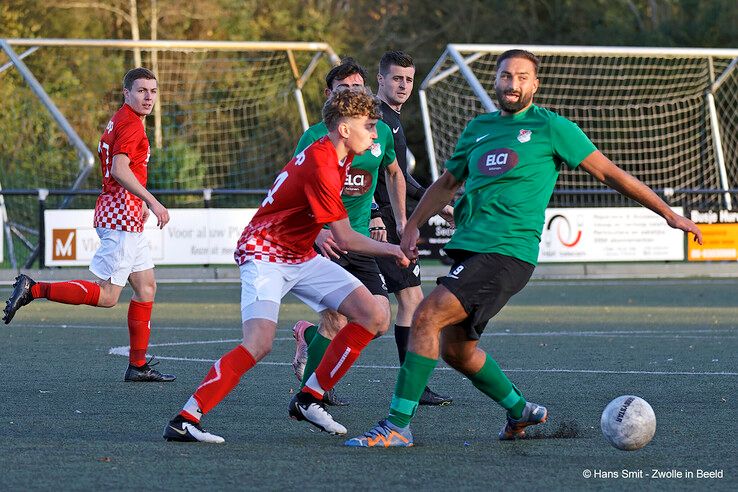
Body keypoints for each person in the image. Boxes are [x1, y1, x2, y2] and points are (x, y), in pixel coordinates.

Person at [345, 49, 704, 447]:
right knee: (457, 351)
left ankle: (397, 426)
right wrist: (410, 225)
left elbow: (610, 174)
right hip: (471, 249)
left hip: (508, 251)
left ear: (535, 83)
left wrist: (669, 214)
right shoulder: (479, 128)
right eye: (504, 76)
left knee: (427, 315)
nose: (512, 84)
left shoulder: (552, 128)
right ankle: (521, 410)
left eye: (521, 77)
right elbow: (446, 184)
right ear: (495, 80)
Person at [163, 88, 409, 443]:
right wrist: (396, 250)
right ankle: (185, 418)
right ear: (344, 129)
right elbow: (344, 238)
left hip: (299, 254)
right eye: (368, 126)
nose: (374, 135)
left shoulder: (340, 156)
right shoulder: (323, 163)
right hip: (264, 252)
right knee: (258, 344)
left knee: (374, 315)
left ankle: (309, 398)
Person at [3, 67, 175, 383]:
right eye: (141, 90)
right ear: (127, 93)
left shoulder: (123, 119)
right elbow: (120, 170)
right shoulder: (132, 126)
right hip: (121, 214)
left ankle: (137, 366)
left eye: (152, 90)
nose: (148, 96)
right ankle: (34, 288)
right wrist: (151, 200)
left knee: (146, 287)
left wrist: (140, 203)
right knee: (109, 295)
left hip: (124, 212)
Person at [289, 58, 407, 407]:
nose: (353, 95)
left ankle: (307, 337)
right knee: (336, 318)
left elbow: (394, 172)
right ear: (329, 96)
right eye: (344, 89)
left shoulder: (378, 131)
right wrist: (317, 232)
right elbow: (297, 187)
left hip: (360, 240)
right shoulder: (314, 137)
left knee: (380, 319)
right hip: (328, 241)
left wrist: (397, 220)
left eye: (358, 88)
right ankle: (313, 393)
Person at [373, 50, 453, 406]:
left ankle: (311, 347)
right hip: (379, 222)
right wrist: (375, 211)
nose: (403, 85)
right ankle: (413, 388)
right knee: (409, 302)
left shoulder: (392, 119)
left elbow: (402, 178)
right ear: (381, 80)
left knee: (357, 312)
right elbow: (365, 171)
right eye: (396, 78)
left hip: (390, 219)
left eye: (408, 79)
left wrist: (442, 205)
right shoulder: (375, 118)